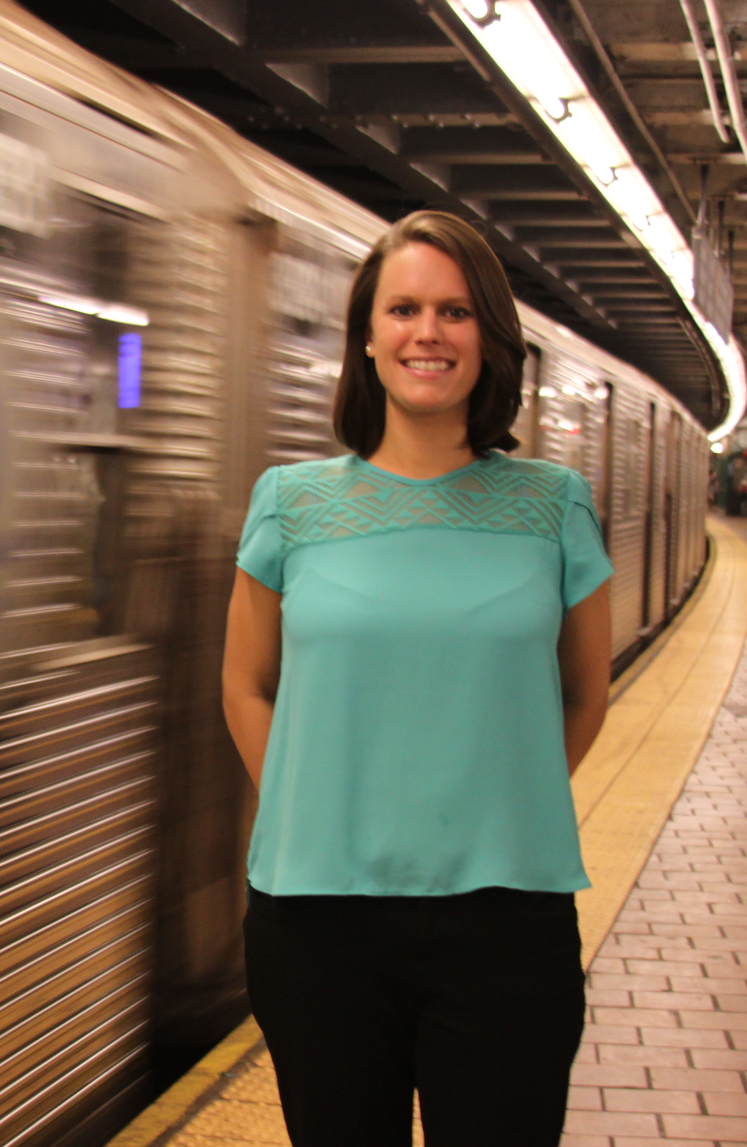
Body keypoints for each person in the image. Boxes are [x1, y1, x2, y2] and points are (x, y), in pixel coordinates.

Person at [222, 211, 612, 1147]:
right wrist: (314, 802)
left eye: (456, 312)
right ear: (367, 335)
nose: (427, 333)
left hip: (507, 927)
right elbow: (245, 683)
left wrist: (498, 799)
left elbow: (585, 694)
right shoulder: (290, 502)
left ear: (490, 341)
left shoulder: (554, 507)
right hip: (318, 925)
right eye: (403, 309)